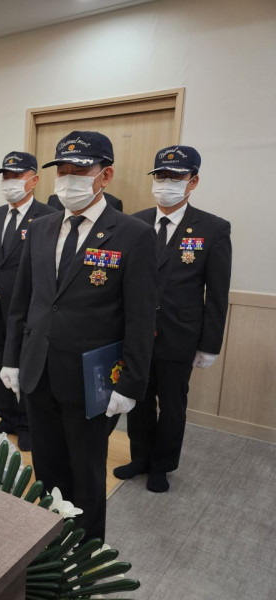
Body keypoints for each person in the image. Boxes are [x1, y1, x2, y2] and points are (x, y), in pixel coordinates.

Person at [0, 131, 157, 541]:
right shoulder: (40, 228)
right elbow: (23, 302)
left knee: (86, 470)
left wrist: (131, 383)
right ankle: (52, 541)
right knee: (47, 467)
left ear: (105, 176)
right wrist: (11, 358)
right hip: (38, 370)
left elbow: (140, 318)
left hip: (91, 379)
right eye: (63, 170)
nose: (68, 179)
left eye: (80, 170)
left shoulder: (133, 234)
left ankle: (85, 553)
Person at [115, 145, 231, 493]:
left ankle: (161, 466)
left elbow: (217, 293)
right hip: (136, 334)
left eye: (176, 177)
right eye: (160, 176)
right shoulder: (134, 222)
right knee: (137, 398)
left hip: (180, 334)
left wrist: (210, 345)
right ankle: (139, 458)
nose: (166, 183)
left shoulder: (213, 228)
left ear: (192, 182)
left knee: (172, 405)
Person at [0, 151, 56, 451]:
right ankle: (7, 418)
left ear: (34, 180)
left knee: (25, 368)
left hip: (26, 309)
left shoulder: (48, 217)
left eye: (16, 176)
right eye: (5, 176)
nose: (9, 181)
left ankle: (28, 424)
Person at [49, 191, 123, 212]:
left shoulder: (112, 203)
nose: (69, 177)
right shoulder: (54, 200)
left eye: (80, 171)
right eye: (62, 172)